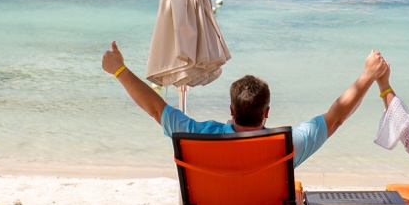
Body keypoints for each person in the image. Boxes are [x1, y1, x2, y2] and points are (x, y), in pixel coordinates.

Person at [100, 42, 386, 166]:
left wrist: (120, 70)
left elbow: (154, 107)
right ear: (267, 112)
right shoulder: (286, 143)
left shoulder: (201, 136)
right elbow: (335, 117)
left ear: (231, 111)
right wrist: (369, 75)